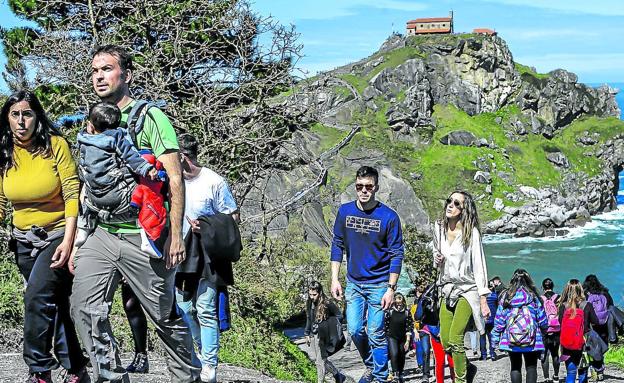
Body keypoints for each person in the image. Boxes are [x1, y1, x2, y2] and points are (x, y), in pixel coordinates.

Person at [69, 45, 200, 383]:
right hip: (102, 231)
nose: (99, 76)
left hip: (144, 237)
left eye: (107, 69)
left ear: (126, 75)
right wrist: (80, 236)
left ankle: (187, 375)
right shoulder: (93, 120)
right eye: (95, 70)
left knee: (163, 316)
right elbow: (88, 178)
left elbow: (173, 178)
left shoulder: (150, 117)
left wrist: (174, 236)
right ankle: (110, 375)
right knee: (83, 306)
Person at [0, 91, 89, 383]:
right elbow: (1, 201)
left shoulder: (55, 145)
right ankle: (77, 368)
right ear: (7, 118)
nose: (21, 121)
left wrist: (70, 241)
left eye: (27, 114)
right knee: (56, 304)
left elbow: (72, 192)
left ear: (37, 117)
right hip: (23, 240)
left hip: (57, 234)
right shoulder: (3, 152)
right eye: (15, 114)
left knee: (36, 297)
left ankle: (39, 370)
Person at [174, 133, 239, 383]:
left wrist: (207, 226)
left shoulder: (214, 182)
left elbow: (232, 217)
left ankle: (209, 365)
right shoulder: (172, 180)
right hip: (179, 252)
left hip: (207, 255)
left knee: (205, 309)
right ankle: (200, 353)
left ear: (183, 157)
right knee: (184, 308)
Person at [330, 166, 404, 383]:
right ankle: (371, 364)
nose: (364, 191)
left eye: (368, 187)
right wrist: (335, 278)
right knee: (354, 330)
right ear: (355, 186)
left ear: (376, 188)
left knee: (375, 330)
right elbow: (337, 245)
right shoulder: (345, 212)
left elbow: (396, 254)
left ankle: (381, 377)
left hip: (380, 284)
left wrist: (391, 289)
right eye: (359, 186)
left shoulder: (389, 217)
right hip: (353, 282)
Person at [433, 191, 490, 383]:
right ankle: (468, 366)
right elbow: (437, 254)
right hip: (446, 289)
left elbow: (479, 265)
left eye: (456, 203)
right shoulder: (438, 228)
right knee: (445, 341)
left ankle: (461, 379)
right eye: (449, 200)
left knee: (456, 338)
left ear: (464, 209)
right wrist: (437, 259)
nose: (450, 205)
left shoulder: (470, 232)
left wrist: (483, 298)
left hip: (467, 289)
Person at [491, 269, 548, 383]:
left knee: (515, 366)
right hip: (532, 339)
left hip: (511, 338)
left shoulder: (506, 297)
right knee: (531, 367)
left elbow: (499, 320)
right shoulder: (534, 297)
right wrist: (544, 330)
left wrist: (495, 339)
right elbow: (542, 320)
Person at [305, 281, 350, 383]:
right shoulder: (309, 303)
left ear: (320, 293)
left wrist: (328, 324)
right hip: (315, 335)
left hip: (326, 336)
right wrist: (307, 333)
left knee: (319, 362)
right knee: (323, 360)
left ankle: (320, 381)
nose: (312, 297)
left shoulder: (327, 303)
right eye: (310, 294)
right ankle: (338, 375)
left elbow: (339, 316)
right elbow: (308, 318)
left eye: (314, 295)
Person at [559, 279, 599, 383]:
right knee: (582, 372)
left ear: (567, 290)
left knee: (571, 372)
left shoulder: (563, 306)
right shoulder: (587, 305)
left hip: (566, 344)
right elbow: (596, 321)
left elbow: (560, 323)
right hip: (583, 343)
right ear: (580, 289)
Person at [582, 275, 612, 381]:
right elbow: (611, 307)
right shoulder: (605, 293)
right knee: (601, 346)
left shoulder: (585, 294)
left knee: (592, 347)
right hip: (604, 325)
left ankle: (595, 368)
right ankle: (600, 369)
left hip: (591, 325)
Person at [384, 293, 413, 383]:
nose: (399, 306)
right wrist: (386, 336)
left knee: (401, 355)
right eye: (397, 304)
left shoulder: (407, 312)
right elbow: (386, 325)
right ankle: (395, 373)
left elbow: (409, 326)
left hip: (403, 337)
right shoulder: (390, 312)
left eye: (400, 304)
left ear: (403, 302)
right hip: (392, 336)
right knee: (394, 354)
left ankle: (401, 373)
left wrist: (408, 341)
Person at [540, 278, 561, 383]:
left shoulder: (540, 299)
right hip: (556, 329)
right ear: (553, 286)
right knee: (555, 353)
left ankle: (546, 378)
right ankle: (556, 376)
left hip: (544, 329)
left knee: (545, 354)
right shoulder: (558, 297)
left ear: (543, 287)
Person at [479, 280, 498, 361]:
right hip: (492, 319)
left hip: (482, 319)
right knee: (491, 337)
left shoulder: (480, 297)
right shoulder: (494, 296)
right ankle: (492, 353)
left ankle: (483, 355)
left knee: (482, 336)